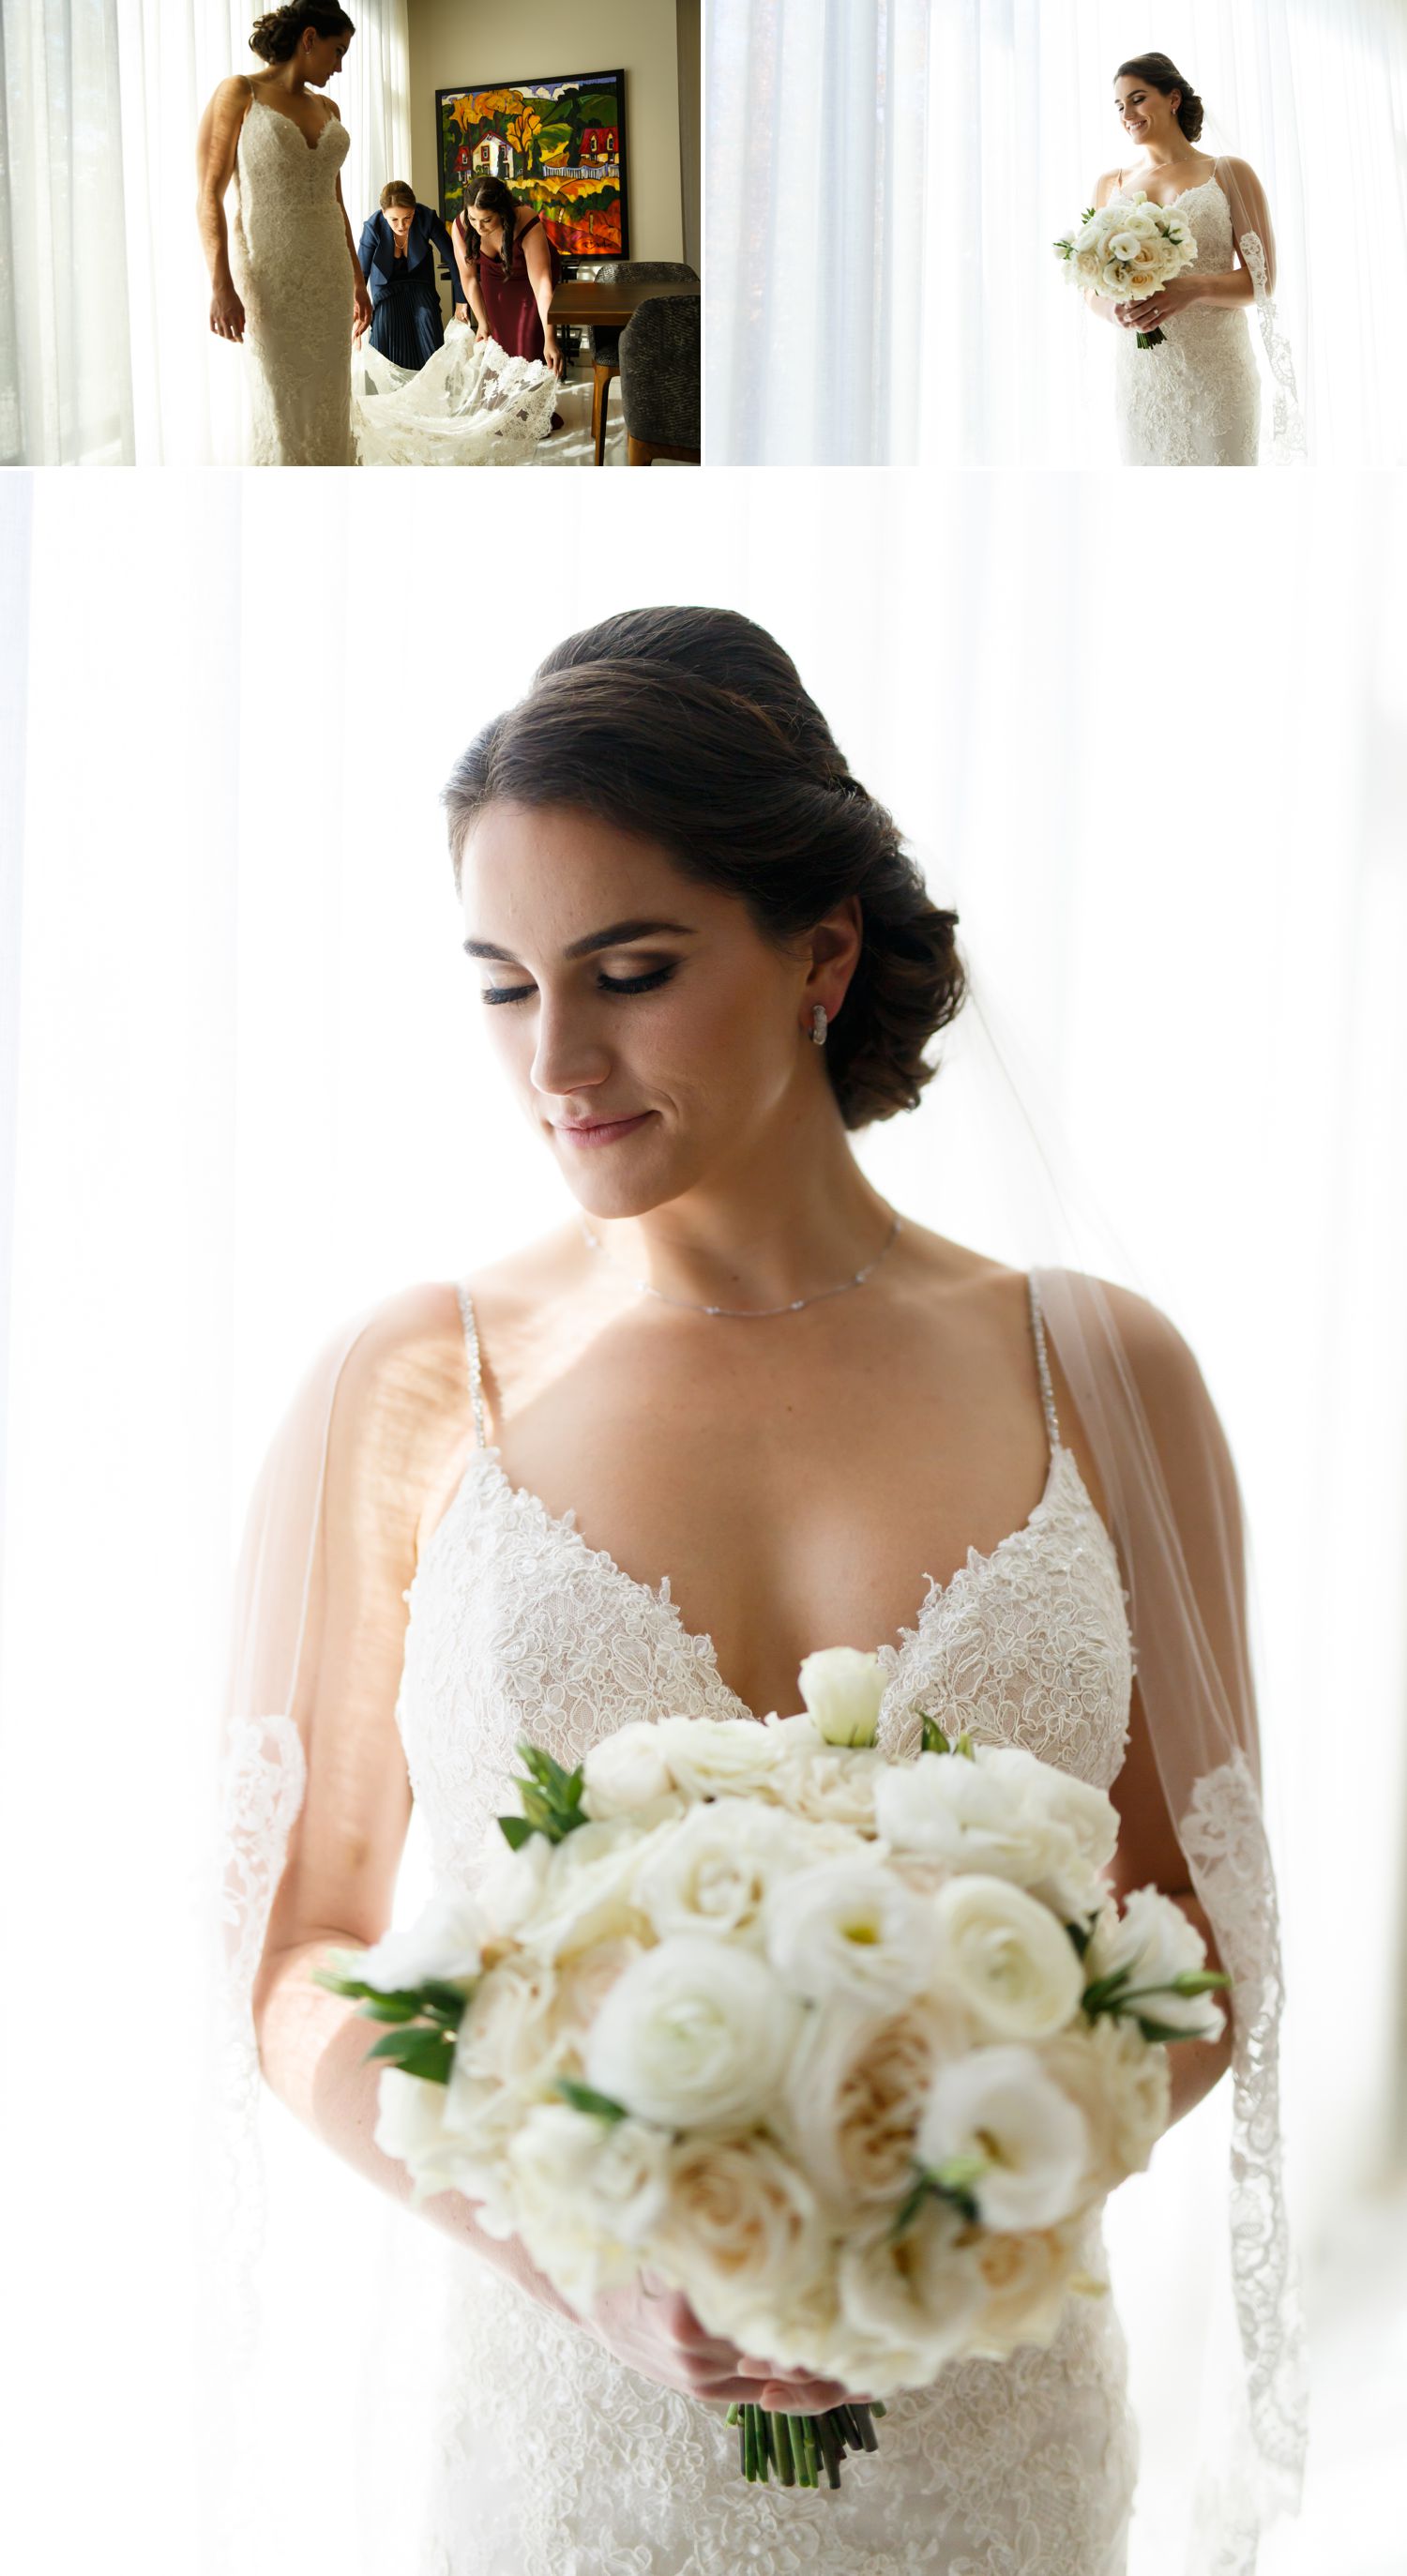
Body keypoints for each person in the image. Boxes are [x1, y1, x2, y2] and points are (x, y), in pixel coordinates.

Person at [217, 605, 1302, 2570]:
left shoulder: (1098, 1368)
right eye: (500, 986)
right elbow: (290, 1958)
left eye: (629, 971)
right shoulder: (415, 1385)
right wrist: (589, 2250)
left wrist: (925, 2199)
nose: (558, 1058)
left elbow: (1202, 1930)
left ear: (822, 951)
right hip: (575, 2453)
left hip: (985, 2451)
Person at [1083, 53, 1279, 466]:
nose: (1127, 113)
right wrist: (1115, 311)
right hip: (1143, 381)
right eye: (1120, 106)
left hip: (1218, 376)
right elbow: (1090, 288)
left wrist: (1193, 287)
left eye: (1137, 99)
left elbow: (1261, 280)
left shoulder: (1227, 173)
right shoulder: (1110, 184)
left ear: (1173, 99)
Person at [196, 4, 371, 464]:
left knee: (330, 401)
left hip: (330, 276)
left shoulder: (328, 108)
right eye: (337, 52)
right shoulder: (240, 93)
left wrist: (357, 278)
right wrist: (220, 286)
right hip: (271, 278)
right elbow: (209, 196)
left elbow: (335, 203)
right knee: (282, 405)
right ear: (308, 38)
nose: (339, 66)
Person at [451, 173, 566, 379]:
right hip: (494, 279)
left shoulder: (525, 220)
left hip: (530, 281)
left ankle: (530, 409)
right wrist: (483, 323)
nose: (479, 227)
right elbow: (468, 279)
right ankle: (504, 408)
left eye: (487, 219)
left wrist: (551, 338)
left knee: (528, 343)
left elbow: (542, 286)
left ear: (502, 212)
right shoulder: (461, 227)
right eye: (473, 219)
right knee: (499, 346)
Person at [356, 181, 461, 371]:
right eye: (394, 219)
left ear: (414, 210)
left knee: (427, 320)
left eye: (407, 217)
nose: (402, 225)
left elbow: (453, 260)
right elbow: (360, 275)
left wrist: (462, 302)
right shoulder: (373, 227)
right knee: (386, 327)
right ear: (383, 213)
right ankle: (392, 396)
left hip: (420, 285)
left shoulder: (426, 218)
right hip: (386, 292)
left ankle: (431, 391)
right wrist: (356, 314)